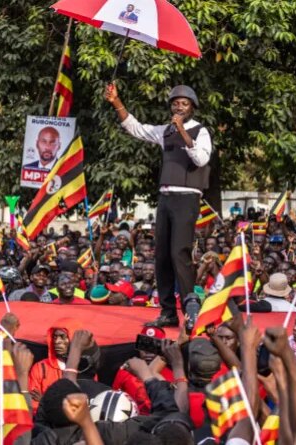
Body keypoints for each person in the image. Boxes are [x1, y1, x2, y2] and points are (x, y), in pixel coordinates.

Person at [105, 83, 212, 327]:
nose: (179, 107)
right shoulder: (165, 131)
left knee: (179, 253)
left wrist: (182, 129)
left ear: (192, 107)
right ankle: (167, 312)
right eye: (175, 103)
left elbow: (201, 159)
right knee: (162, 255)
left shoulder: (201, 131)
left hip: (187, 198)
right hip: (165, 198)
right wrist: (116, 101)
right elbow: (136, 128)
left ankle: (190, 307)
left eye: (184, 103)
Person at [28, 318, 82, 410]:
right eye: (55, 337)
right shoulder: (40, 368)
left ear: (74, 339)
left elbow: (86, 403)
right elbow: (33, 405)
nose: (57, 341)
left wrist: (44, 401)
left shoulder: (85, 369)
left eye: (63, 337)